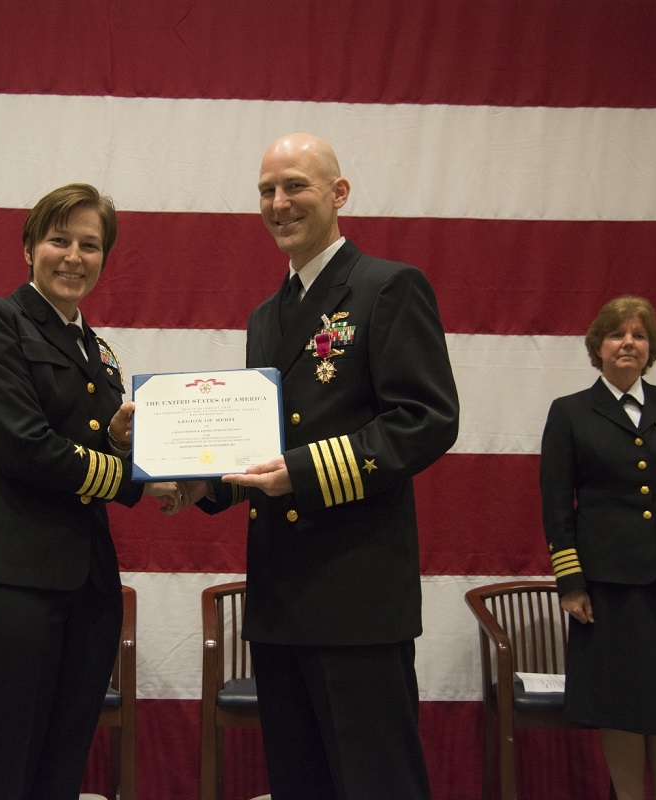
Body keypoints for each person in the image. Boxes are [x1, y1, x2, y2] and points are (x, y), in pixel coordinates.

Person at [187, 133, 460, 799]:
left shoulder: (387, 288)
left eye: (295, 187)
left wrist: (302, 474)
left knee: (376, 784)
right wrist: (192, 479)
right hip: (281, 595)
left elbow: (427, 418)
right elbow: (258, 437)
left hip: (357, 594)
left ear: (339, 194)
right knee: (299, 783)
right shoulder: (266, 316)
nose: (279, 203)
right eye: (266, 190)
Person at [0, 182, 183, 799]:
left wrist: (133, 446)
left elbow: (85, 447)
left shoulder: (97, 353)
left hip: (87, 587)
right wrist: (136, 480)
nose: (74, 257)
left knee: (59, 772)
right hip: (8, 582)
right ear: (29, 246)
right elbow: (25, 448)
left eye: (90, 245)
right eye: (59, 240)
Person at [540, 295, 656, 800]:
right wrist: (571, 583)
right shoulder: (570, 413)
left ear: (652, 348)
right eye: (617, 335)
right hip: (609, 586)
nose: (629, 343)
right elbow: (558, 506)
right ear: (597, 346)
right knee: (620, 705)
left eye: (640, 335)